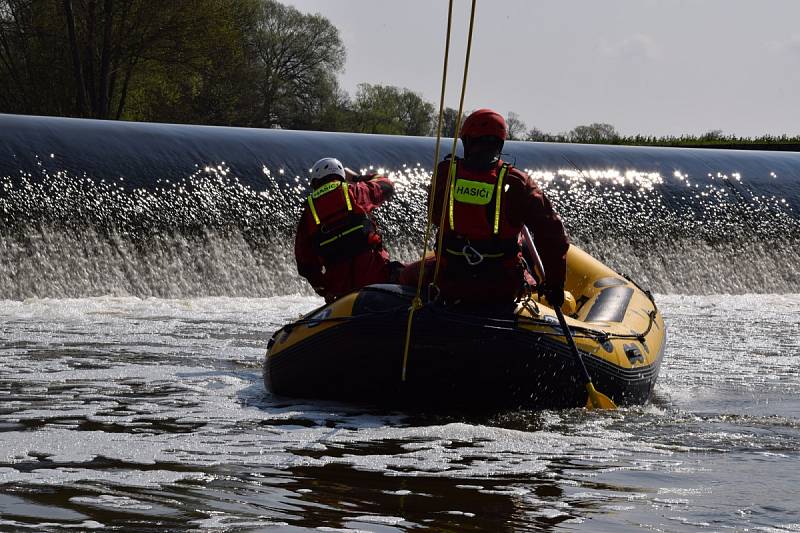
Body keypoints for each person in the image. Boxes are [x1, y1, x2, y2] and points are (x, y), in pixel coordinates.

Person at [400, 108, 569, 306]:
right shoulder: (517, 182)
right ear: (500, 143)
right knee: (529, 280)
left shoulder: (446, 174)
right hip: (501, 288)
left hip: (449, 281)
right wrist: (555, 285)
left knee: (405, 276)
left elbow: (435, 216)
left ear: (467, 141)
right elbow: (553, 234)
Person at [295, 157, 396, 302]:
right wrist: (356, 178)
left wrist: (325, 290)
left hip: (341, 294)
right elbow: (387, 185)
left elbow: (305, 263)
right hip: (377, 280)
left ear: (316, 183)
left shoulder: (308, 214)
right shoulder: (354, 191)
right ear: (340, 176)